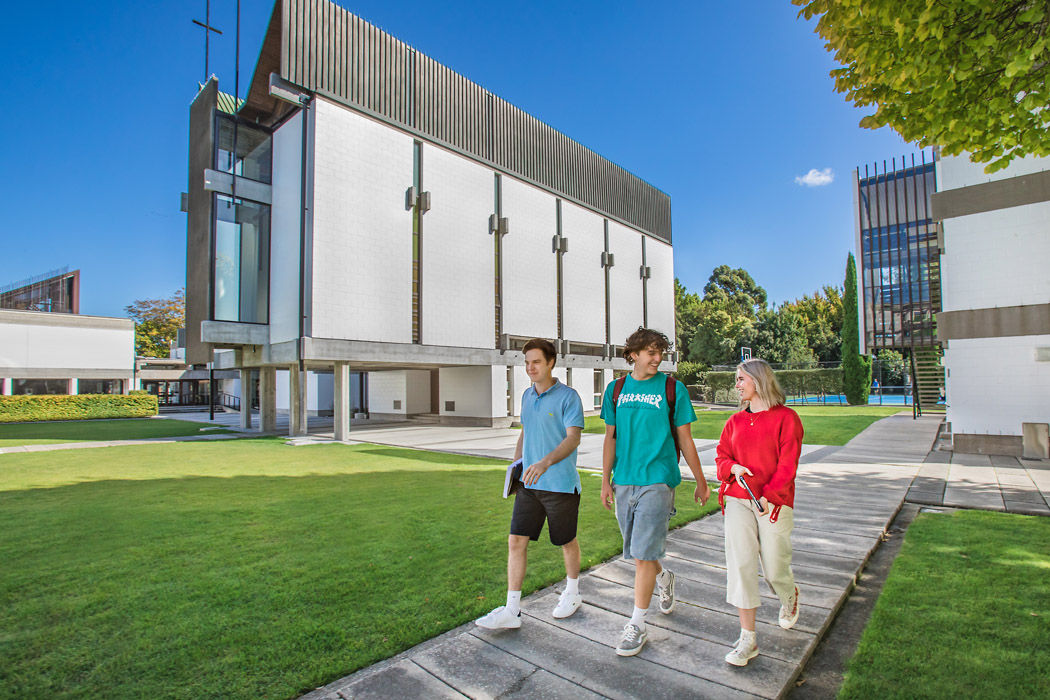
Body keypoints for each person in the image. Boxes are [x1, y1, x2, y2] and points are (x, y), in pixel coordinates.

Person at [600, 327, 711, 656]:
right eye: (650, 352)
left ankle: (637, 623)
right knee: (640, 552)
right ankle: (664, 579)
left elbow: (686, 439)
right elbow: (610, 438)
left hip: (659, 479)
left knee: (643, 556)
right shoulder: (616, 389)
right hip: (624, 480)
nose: (657, 358)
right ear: (632, 354)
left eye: (660, 352)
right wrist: (606, 480)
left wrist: (701, 480)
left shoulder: (673, 389)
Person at [476, 338, 586, 630]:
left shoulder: (568, 397)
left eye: (536, 362)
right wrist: (516, 466)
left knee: (565, 541)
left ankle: (573, 593)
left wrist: (544, 462)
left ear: (551, 362)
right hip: (529, 485)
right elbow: (526, 432)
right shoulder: (526, 396)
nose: (530, 368)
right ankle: (512, 610)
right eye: (526, 363)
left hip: (560, 485)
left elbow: (573, 438)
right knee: (516, 540)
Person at [715, 358, 804, 667]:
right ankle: (748, 638)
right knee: (741, 563)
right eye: (736, 380)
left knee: (775, 567)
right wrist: (732, 467)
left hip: (774, 503)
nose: (737, 385)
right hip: (738, 499)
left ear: (758, 380)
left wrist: (770, 496)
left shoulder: (787, 419)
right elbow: (721, 457)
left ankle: (789, 594)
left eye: (741, 379)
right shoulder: (734, 422)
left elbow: (788, 464)